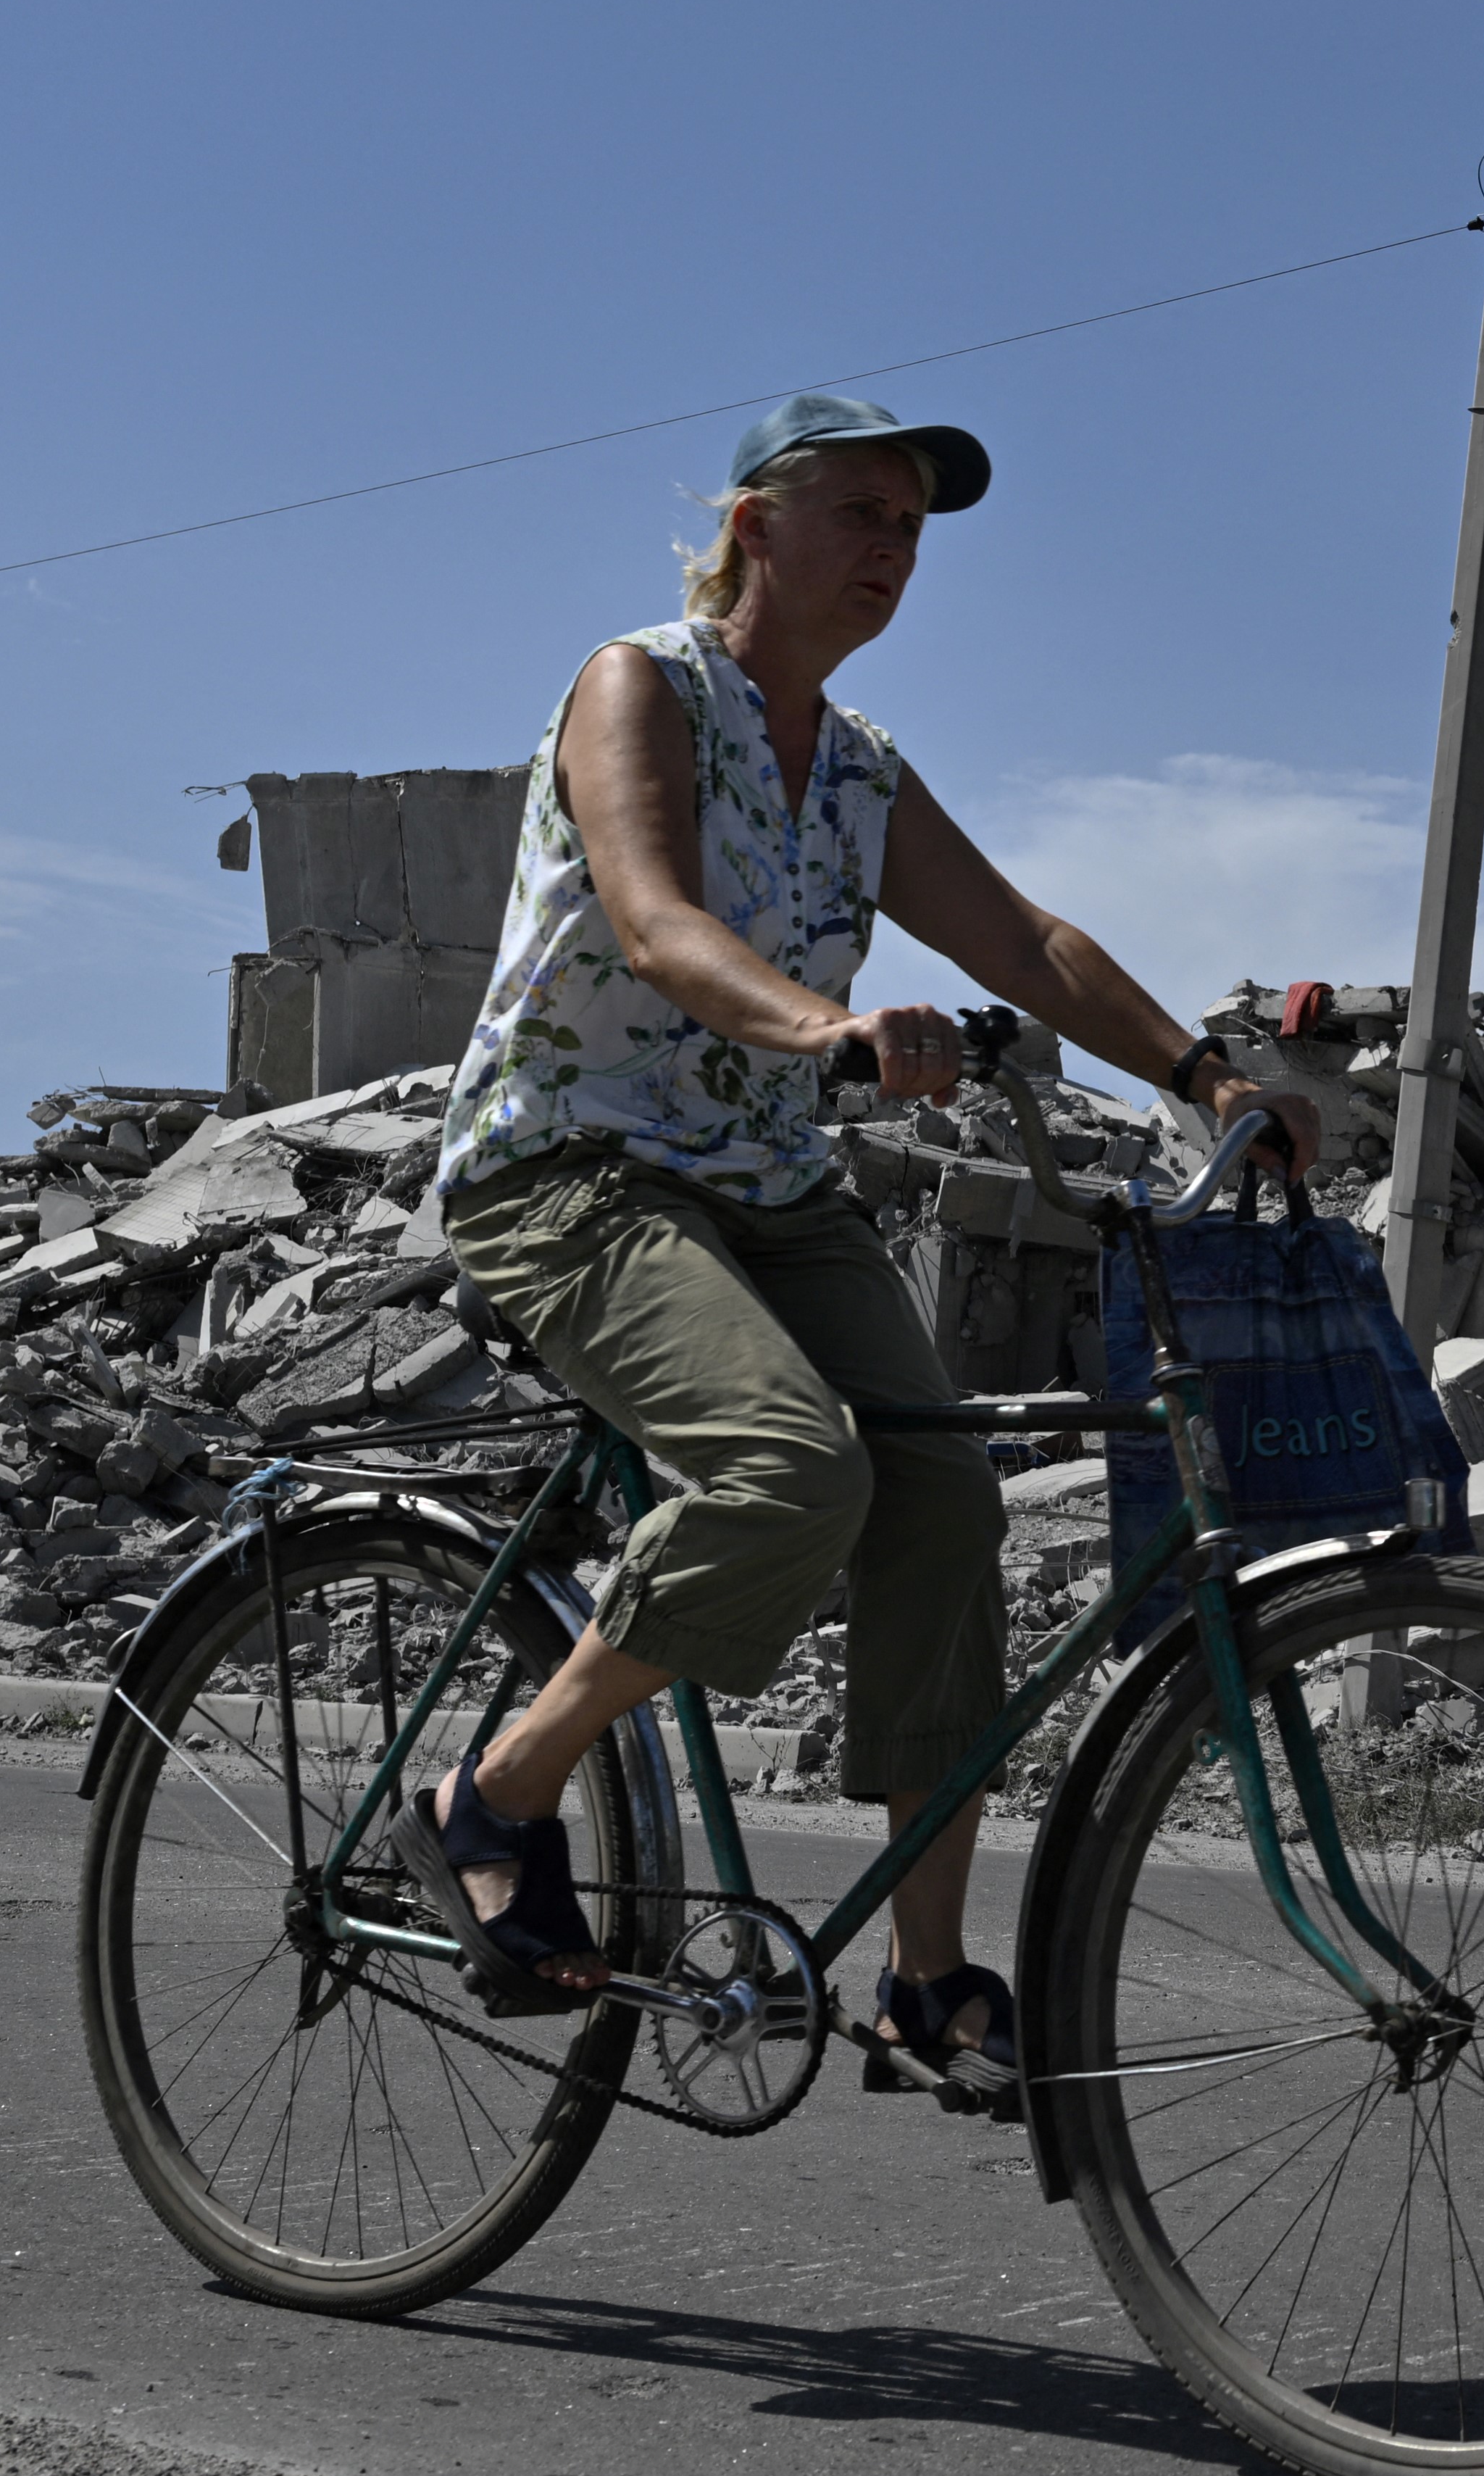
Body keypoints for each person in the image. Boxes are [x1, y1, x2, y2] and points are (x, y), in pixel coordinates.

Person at [402, 390, 1283, 2106]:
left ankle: (924, 1973)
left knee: (939, 1488)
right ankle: (493, 1795)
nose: (894, 550)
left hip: (761, 1187)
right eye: (863, 514)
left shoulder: (861, 769)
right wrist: (832, 1029)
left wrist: (1204, 1073)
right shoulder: (637, 686)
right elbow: (653, 923)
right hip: (569, 1173)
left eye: (914, 529)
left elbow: (1026, 936)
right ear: (754, 525)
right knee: (792, 1467)